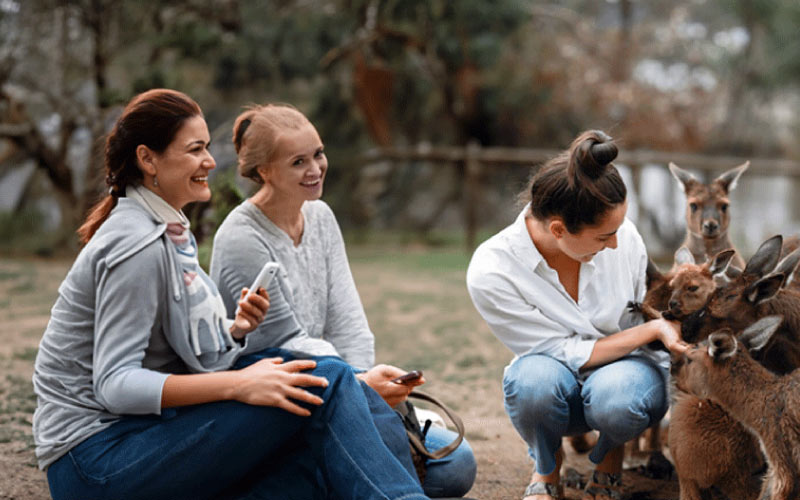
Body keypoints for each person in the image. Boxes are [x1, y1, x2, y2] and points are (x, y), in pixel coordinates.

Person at [32, 88, 430, 500]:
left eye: (206, 147)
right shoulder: (136, 245)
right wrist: (237, 385)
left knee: (308, 450)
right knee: (319, 377)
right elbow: (116, 384)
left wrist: (235, 330)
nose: (210, 161)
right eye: (195, 149)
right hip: (97, 461)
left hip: (142, 439)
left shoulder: (168, 228)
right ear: (148, 158)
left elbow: (179, 349)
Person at [209, 103, 477, 498]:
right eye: (298, 161)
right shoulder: (241, 237)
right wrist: (359, 389)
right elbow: (287, 341)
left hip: (342, 385)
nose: (315, 169)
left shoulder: (320, 217)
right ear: (264, 171)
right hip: (287, 402)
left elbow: (347, 319)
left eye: (318, 154)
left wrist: (364, 389)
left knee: (455, 466)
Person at [465, 130, 687, 500]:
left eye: (617, 231)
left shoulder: (625, 238)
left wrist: (659, 326)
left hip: (624, 374)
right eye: (603, 237)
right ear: (558, 229)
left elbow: (636, 316)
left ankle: (610, 460)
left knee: (619, 398)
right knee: (532, 384)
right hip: (553, 376)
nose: (615, 243)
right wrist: (653, 330)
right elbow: (554, 350)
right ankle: (547, 469)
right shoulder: (492, 270)